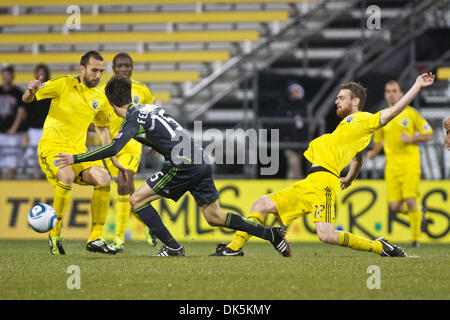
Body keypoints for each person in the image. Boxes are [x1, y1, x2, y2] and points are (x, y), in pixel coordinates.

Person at [55, 76, 291, 257]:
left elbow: (114, 148)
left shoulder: (132, 121)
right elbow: (168, 131)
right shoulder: (149, 108)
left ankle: (172, 247)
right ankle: (271, 234)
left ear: (110, 101)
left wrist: (76, 158)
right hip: (199, 158)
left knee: (136, 201)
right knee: (215, 217)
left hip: (182, 164)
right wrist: (158, 145)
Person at [211, 73, 435, 257]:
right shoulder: (349, 130)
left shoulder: (363, 119)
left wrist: (416, 86)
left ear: (355, 101)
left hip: (324, 182)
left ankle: (380, 247)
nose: (336, 101)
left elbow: (391, 113)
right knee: (261, 204)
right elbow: (358, 159)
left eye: (341, 97)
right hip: (312, 180)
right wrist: (349, 178)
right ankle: (234, 248)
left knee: (326, 235)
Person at [22, 51, 124, 255]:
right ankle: (55, 234)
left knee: (104, 177)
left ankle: (95, 238)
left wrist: (113, 158)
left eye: (101, 71)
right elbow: (28, 98)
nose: (98, 75)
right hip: (52, 147)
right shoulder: (63, 84)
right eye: (94, 70)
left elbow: (103, 129)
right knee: (66, 174)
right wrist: (31, 91)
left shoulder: (101, 98)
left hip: (78, 152)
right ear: (83, 68)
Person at [98, 52, 157, 252]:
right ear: (113, 69)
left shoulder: (142, 90)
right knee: (129, 193)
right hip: (112, 148)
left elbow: (151, 117)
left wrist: (153, 141)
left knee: (124, 185)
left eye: (127, 65)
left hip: (132, 145)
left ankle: (119, 239)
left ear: (132, 68)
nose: (124, 68)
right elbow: (97, 121)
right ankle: (152, 225)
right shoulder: (104, 91)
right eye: (120, 65)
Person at [367, 80, 433, 247]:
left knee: (410, 199)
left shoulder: (411, 114)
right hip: (392, 166)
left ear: (401, 94)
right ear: (385, 94)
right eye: (388, 91)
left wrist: (411, 138)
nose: (391, 94)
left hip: (410, 164)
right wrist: (373, 153)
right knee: (395, 206)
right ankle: (418, 213)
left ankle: (416, 239)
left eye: (394, 91)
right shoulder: (383, 116)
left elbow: (428, 134)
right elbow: (379, 141)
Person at [24, 64, 51, 179]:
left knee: (45, 153)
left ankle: (46, 176)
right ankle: (36, 177)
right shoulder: (31, 90)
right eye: (39, 72)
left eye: (43, 72)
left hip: (46, 127)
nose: (41, 75)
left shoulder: (51, 89)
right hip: (33, 127)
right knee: (33, 156)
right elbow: (26, 106)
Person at [0, 64, 26, 180]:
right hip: (1, 131)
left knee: (12, 161)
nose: (6, 78)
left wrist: (14, 128)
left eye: (8, 75)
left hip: (13, 133)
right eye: (4, 75)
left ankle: (11, 183)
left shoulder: (18, 92)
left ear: (12, 76)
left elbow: (20, 112)